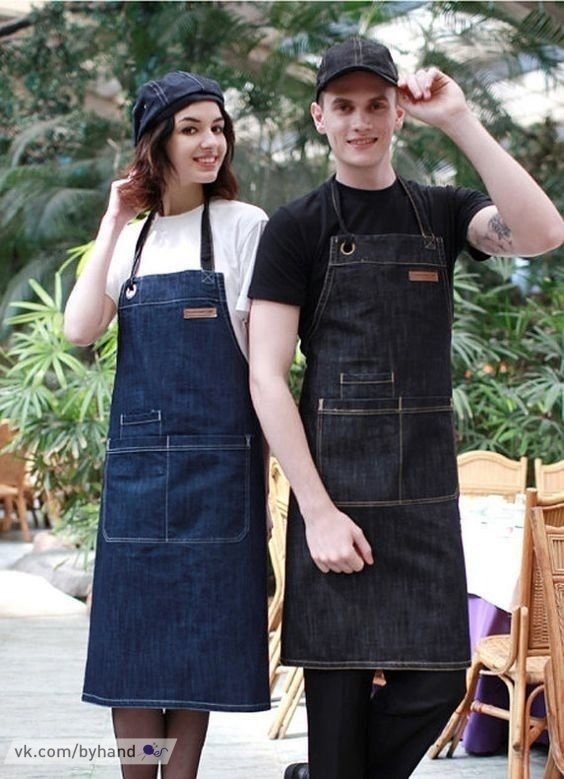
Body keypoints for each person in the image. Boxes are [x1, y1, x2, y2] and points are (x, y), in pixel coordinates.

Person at [248, 37, 564, 779]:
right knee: (336, 719)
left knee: (436, 686)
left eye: (376, 105)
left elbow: (544, 233)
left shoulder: (443, 213)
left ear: (398, 113)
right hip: (336, 499)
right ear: (319, 116)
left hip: (424, 497)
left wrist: (458, 120)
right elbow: (266, 377)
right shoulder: (296, 227)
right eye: (344, 106)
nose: (360, 121)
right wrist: (317, 513)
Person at [64, 71, 270, 779]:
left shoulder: (245, 227)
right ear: (157, 142)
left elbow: (265, 367)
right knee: (131, 649)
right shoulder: (132, 239)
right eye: (191, 129)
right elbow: (79, 328)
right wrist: (112, 220)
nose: (211, 142)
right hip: (139, 479)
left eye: (217, 127)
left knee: (196, 651)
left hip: (220, 475)